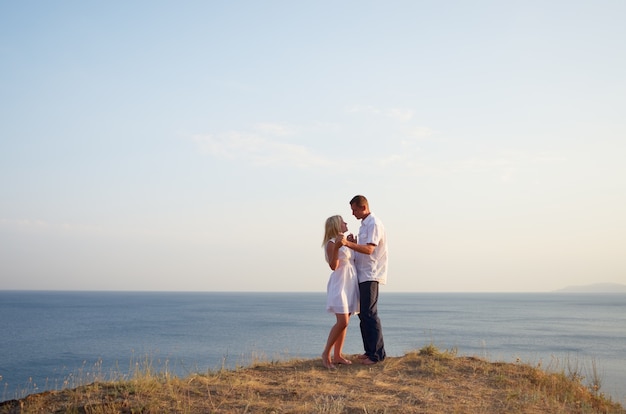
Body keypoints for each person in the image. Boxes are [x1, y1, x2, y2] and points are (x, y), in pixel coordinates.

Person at [342, 195, 387, 365]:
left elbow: (369, 250)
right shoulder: (364, 225)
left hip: (370, 273)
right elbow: (362, 249)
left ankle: (377, 355)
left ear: (363, 207)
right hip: (362, 274)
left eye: (354, 210)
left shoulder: (374, 224)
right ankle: (369, 351)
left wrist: (347, 244)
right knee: (364, 314)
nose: (352, 214)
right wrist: (354, 243)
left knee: (370, 314)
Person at [321, 215, 359, 369]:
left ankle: (338, 355)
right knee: (342, 321)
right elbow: (333, 265)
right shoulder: (331, 243)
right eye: (343, 222)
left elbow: (353, 261)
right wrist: (337, 247)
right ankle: (326, 354)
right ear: (337, 225)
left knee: (345, 323)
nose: (346, 223)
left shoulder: (344, 243)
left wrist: (352, 244)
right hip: (340, 283)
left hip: (350, 283)